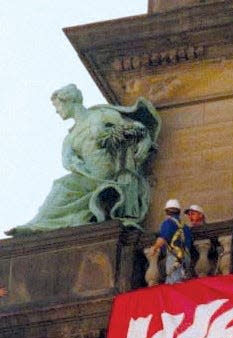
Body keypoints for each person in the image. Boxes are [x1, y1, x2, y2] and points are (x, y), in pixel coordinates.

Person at [9, 84, 160, 234]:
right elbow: (67, 160)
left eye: (58, 105)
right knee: (62, 185)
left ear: (69, 100)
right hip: (89, 175)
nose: (57, 111)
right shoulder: (69, 138)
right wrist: (75, 164)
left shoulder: (100, 114)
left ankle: (39, 225)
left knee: (62, 186)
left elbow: (134, 126)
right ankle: (39, 224)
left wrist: (145, 140)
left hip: (109, 172)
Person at [148, 200, 193, 284]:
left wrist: (154, 247)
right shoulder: (186, 227)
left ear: (167, 212)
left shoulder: (168, 223)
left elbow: (163, 238)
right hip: (186, 258)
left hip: (174, 258)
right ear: (179, 212)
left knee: (174, 284)